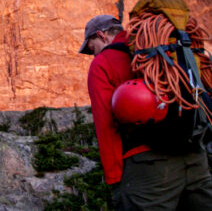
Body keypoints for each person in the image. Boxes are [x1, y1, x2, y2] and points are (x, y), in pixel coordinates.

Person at [79, 14, 212, 210]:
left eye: (92, 48)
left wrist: (115, 178)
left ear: (101, 35)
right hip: (195, 158)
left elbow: (106, 125)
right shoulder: (166, 48)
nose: (94, 55)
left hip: (148, 165)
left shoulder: (103, 63)